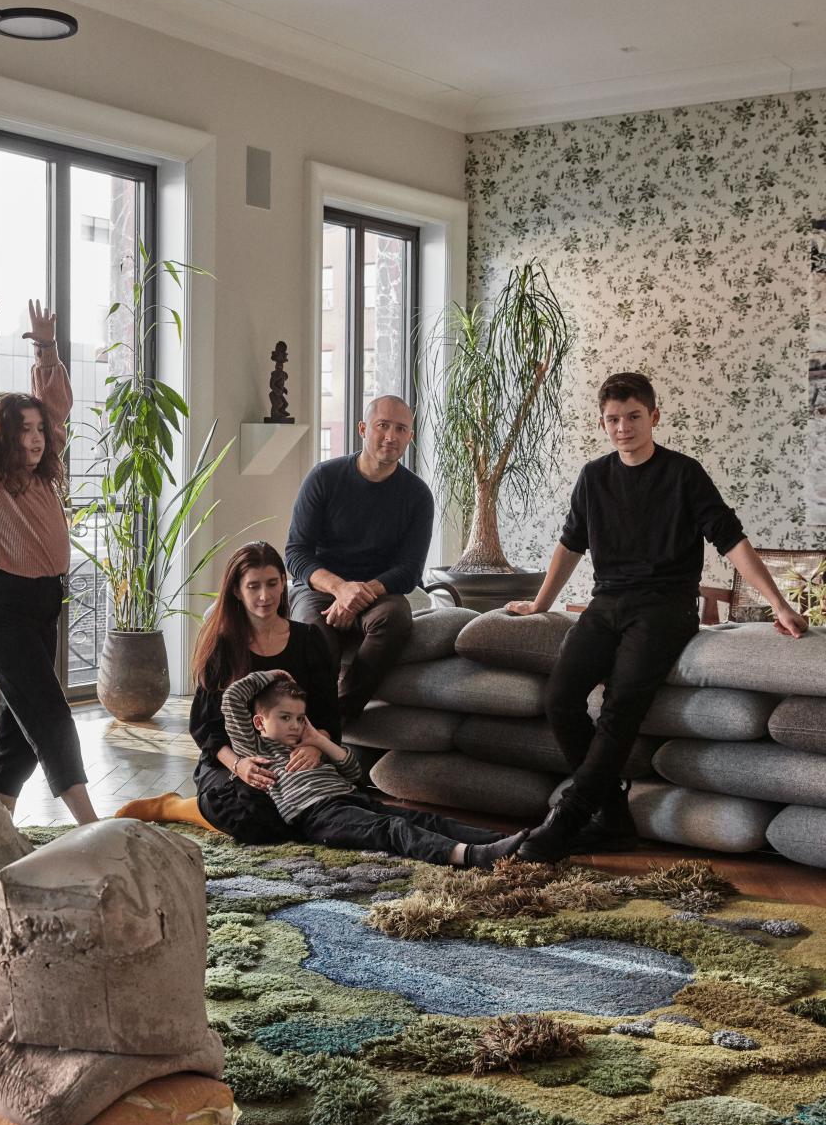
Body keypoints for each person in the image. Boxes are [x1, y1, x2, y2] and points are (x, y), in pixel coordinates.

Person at [500, 370, 808, 863]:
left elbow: (730, 539)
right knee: (560, 697)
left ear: (654, 417)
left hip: (665, 607)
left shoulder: (683, 474)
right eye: (613, 419)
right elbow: (569, 544)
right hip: (606, 604)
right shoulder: (593, 476)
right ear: (603, 423)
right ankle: (614, 818)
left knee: (621, 704)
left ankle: (572, 815)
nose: (623, 427)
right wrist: (540, 603)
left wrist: (777, 602)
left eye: (634, 417)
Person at [0, 295, 97, 825]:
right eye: (24, 430)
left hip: (42, 605)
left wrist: (48, 347)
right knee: (51, 715)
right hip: (4, 610)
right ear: (3, 434)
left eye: (38, 431)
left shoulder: (39, 476)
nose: (35, 439)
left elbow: (57, 408)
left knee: (19, 734)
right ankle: (91, 826)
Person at [222, 669, 521, 868]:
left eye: (300, 718)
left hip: (353, 799)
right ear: (261, 723)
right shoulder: (256, 749)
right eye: (285, 717)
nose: (295, 725)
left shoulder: (308, 744)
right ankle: (470, 856)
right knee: (393, 829)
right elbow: (232, 699)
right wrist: (273, 674)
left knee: (421, 818)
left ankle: (507, 841)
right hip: (317, 816)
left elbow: (353, 773)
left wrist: (317, 741)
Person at [285, 396, 434, 722]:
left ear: (410, 437)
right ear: (363, 429)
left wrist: (358, 594)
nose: (391, 436)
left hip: (381, 592)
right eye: (383, 426)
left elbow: (410, 570)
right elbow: (295, 553)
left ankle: (335, 720)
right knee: (312, 632)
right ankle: (307, 720)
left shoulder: (417, 495)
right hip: (321, 586)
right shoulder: (324, 477)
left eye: (401, 429)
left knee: (394, 619)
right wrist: (341, 589)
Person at [187, 542, 342, 842]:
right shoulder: (221, 646)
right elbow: (206, 730)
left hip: (289, 758)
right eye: (253, 586)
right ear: (236, 591)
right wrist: (239, 765)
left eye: (272, 584)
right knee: (252, 817)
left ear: (284, 583)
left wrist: (313, 746)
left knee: (302, 813)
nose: (264, 596)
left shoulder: (310, 639)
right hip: (231, 760)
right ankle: (181, 808)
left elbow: (328, 714)